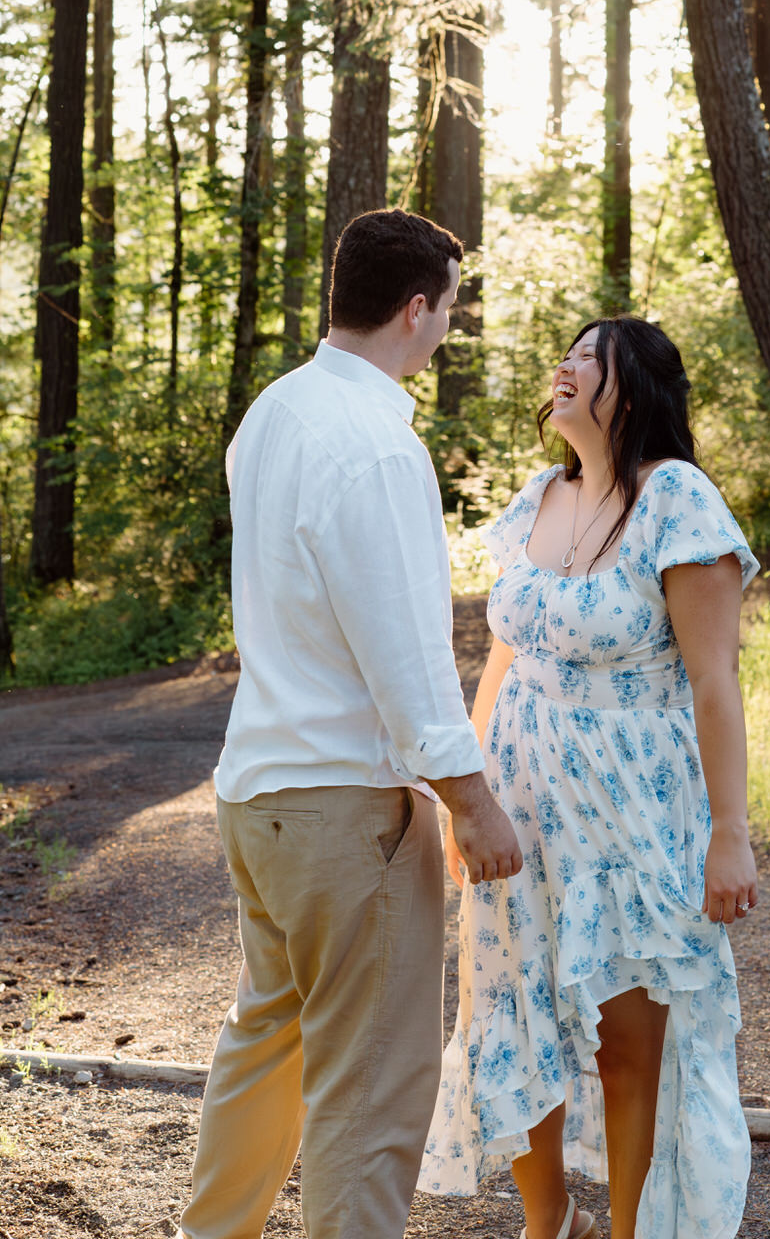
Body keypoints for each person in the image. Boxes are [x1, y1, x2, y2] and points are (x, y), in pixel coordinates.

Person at [176, 208, 521, 1239]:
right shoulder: (376, 446)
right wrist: (469, 800)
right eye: (450, 310)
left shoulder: (273, 413)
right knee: (371, 1088)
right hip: (345, 811)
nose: (448, 329)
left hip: (259, 795)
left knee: (267, 1042)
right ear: (416, 310)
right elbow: (405, 652)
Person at [418, 317, 760, 1239]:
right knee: (512, 1014)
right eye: (563, 351)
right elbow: (502, 656)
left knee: (624, 1049)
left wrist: (730, 831)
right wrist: (466, 795)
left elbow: (715, 683)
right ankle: (547, 1222)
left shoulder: (677, 500)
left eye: (586, 355)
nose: (562, 365)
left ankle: (629, 1232)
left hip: (632, 818)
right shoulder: (538, 496)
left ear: (634, 387)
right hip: (520, 814)